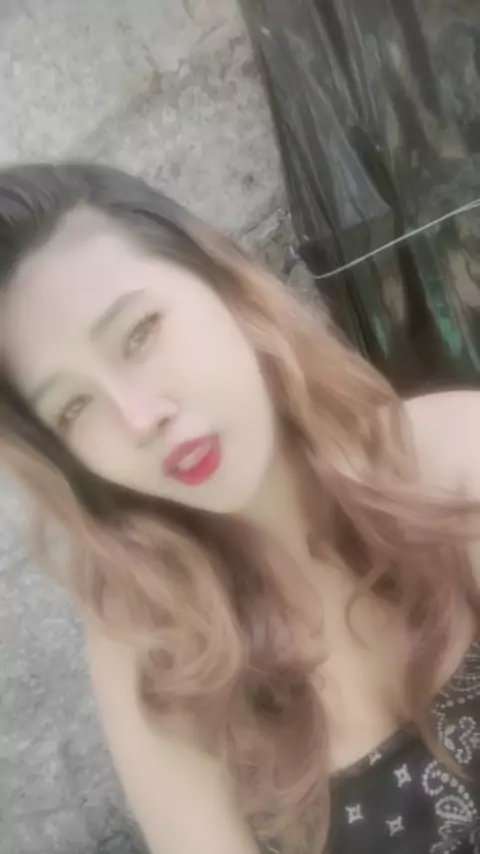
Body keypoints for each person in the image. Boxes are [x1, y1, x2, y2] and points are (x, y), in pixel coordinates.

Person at [0, 162, 479, 854]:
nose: (140, 419)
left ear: (225, 283)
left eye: (138, 334)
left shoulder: (452, 465)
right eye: (73, 407)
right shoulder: (158, 648)